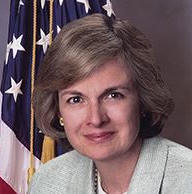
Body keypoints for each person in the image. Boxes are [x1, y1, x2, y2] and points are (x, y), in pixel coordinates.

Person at [28, 13, 192, 194]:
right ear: (59, 112)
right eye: (76, 100)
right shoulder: (50, 181)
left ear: (143, 101)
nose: (96, 119)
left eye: (113, 95)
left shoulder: (186, 180)